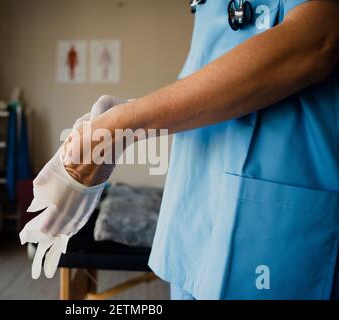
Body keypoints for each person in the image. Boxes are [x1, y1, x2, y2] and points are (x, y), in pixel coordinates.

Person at [60, 0, 339, 300]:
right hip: (194, 195)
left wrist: (125, 124)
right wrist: (126, 117)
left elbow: (316, 38)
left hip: (276, 203)